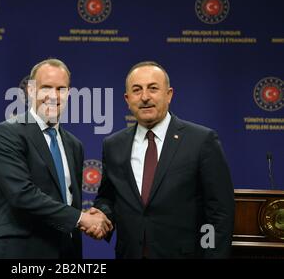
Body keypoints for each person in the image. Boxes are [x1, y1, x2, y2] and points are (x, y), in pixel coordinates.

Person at [91, 61, 235, 258]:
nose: (145, 97)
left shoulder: (201, 140)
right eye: (136, 90)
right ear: (127, 99)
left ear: (169, 94)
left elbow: (219, 212)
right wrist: (102, 215)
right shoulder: (113, 144)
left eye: (153, 88)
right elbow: (108, 197)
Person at [0, 58, 112, 259]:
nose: (53, 96)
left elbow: (69, 201)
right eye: (46, 88)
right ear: (30, 90)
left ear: (69, 93)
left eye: (61, 89)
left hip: (65, 253)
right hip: (20, 253)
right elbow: (22, 195)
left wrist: (92, 218)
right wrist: (81, 219)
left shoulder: (74, 145)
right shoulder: (7, 133)